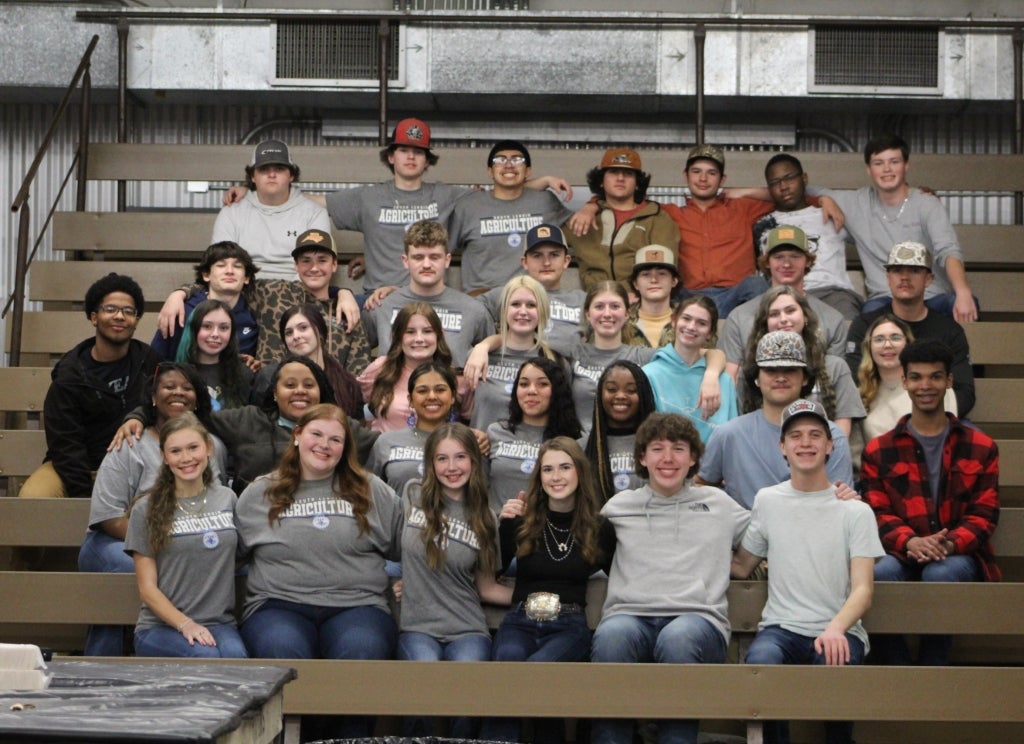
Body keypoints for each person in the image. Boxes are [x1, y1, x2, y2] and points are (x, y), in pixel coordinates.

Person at [235, 403, 403, 738]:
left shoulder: (372, 491)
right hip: (278, 603)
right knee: (282, 653)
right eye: (316, 434)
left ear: (346, 448)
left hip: (357, 605)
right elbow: (229, 554)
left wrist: (410, 579)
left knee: (360, 653)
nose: (324, 445)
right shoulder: (259, 493)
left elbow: (409, 544)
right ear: (297, 436)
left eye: (335, 440)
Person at [731, 399, 884, 744]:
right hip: (780, 629)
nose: (806, 443)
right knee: (761, 662)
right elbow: (742, 566)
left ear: (830, 445)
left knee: (835, 660)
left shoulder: (855, 512)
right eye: (795, 436)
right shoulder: (767, 500)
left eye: (816, 435)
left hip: (838, 629)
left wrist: (835, 629)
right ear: (782, 447)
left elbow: (863, 590)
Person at [591, 413, 750, 744]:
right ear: (642, 457)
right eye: (657, 448)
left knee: (678, 638)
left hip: (696, 619)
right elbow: (581, 551)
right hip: (629, 615)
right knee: (613, 636)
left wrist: (742, 564)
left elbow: (770, 532)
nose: (667, 458)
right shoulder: (618, 507)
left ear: (693, 458)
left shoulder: (718, 504)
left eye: (679, 449)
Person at [316, 118, 571, 297]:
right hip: (378, 296)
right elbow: (318, 203)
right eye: (403, 150)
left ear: (428, 160)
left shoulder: (447, 195)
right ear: (391, 156)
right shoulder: (368, 196)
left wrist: (542, 181)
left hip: (429, 296)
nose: (411, 157)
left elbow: (501, 190)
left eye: (418, 152)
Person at [861, 338, 1000, 665]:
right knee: (878, 573)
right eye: (917, 377)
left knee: (940, 573)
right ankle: (899, 671)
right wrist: (910, 542)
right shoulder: (879, 450)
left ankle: (932, 669)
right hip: (901, 550)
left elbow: (984, 514)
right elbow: (877, 513)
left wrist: (947, 545)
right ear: (905, 382)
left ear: (949, 381)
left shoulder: (981, 446)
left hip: (959, 555)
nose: (926, 385)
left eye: (935, 377)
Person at [81, 362, 226, 656]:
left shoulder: (213, 447)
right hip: (114, 542)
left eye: (187, 388)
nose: (178, 393)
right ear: (153, 396)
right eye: (169, 386)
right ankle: (104, 662)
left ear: (198, 398)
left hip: (181, 541)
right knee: (136, 571)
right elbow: (108, 516)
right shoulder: (129, 443)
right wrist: (162, 544)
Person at [481, 437, 615, 744]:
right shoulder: (520, 524)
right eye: (548, 469)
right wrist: (503, 524)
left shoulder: (600, 528)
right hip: (519, 621)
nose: (556, 477)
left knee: (541, 675)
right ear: (539, 478)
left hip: (568, 625)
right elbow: (489, 576)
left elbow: (623, 578)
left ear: (580, 472)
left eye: (565, 467)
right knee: (506, 667)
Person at [397, 423, 511, 738]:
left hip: (467, 629)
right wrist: (401, 579)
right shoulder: (411, 494)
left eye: (460, 457)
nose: (451, 467)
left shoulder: (486, 517)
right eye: (442, 459)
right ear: (430, 464)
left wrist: (534, 596)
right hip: (419, 628)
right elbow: (392, 551)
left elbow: (486, 587)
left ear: (474, 461)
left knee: (467, 696)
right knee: (424, 685)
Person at [21, 273, 162, 500]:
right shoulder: (70, 375)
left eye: (128, 311)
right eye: (110, 309)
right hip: (79, 467)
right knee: (33, 497)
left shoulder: (150, 362)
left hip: (137, 463)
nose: (119, 316)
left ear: (136, 320)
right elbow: (65, 445)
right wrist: (86, 495)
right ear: (94, 317)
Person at [815, 134, 977, 322]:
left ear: (906, 165)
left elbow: (948, 250)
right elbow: (802, 188)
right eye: (878, 163)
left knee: (965, 306)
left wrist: (963, 291)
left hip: (932, 296)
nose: (887, 169)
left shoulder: (927, 204)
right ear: (868, 169)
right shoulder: (856, 202)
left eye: (894, 161)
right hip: (885, 299)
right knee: (867, 320)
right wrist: (823, 199)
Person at [158, 228, 368, 372]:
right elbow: (226, 283)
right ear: (295, 265)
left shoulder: (346, 311)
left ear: (334, 265)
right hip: (272, 396)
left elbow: (359, 370)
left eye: (322, 260)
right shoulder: (273, 291)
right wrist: (180, 293)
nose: (314, 268)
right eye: (306, 261)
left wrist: (343, 293)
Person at [125, 413, 247, 658]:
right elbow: (147, 589)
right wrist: (185, 624)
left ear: (208, 448)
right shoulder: (145, 508)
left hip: (219, 623)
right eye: (176, 451)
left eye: (193, 448)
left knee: (237, 661)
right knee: (206, 657)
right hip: (161, 627)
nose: (186, 458)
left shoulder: (227, 498)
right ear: (164, 457)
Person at [699, 331, 853, 510]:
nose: (780, 378)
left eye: (790, 370)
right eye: (770, 370)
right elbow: (702, 485)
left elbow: (840, 502)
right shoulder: (729, 434)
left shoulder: (831, 435)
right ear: (756, 377)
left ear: (805, 378)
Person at [845, 241, 975, 416]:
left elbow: (965, 392)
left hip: (938, 418)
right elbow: (854, 381)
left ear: (928, 279)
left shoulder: (949, 330)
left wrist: (928, 419)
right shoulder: (865, 325)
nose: (904, 277)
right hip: (877, 415)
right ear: (888, 277)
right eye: (897, 270)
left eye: (914, 270)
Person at [720, 224, 847, 379]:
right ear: (767, 262)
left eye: (795, 256)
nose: (786, 264)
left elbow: (835, 379)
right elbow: (730, 377)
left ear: (807, 261)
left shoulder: (832, 319)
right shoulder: (739, 317)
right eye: (778, 257)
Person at [448, 140, 575, 293]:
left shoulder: (545, 202)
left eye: (517, 159)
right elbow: (441, 250)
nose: (509, 165)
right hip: (483, 299)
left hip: (531, 300)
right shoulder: (468, 206)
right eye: (500, 160)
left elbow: (580, 226)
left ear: (528, 171)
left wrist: (592, 205)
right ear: (489, 171)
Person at [662, 144, 773, 317]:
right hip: (688, 296)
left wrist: (745, 191)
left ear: (722, 180)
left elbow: (788, 195)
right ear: (686, 176)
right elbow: (630, 204)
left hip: (734, 295)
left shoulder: (741, 208)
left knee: (756, 284)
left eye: (711, 173)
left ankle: (761, 342)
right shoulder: (670, 213)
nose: (703, 178)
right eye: (696, 171)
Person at [363, 219, 493, 367]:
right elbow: (356, 355)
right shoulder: (381, 306)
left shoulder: (474, 310)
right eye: (418, 257)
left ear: (447, 260)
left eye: (434, 257)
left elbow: (495, 358)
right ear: (405, 261)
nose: (426, 264)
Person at [740, 286, 865, 435]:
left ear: (805, 317)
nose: (783, 319)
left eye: (790, 311)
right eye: (774, 314)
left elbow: (842, 431)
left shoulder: (835, 366)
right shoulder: (752, 369)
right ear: (765, 323)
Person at [751, 154, 863, 319]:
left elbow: (871, 239)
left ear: (804, 178)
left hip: (831, 294)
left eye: (789, 178)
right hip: (780, 298)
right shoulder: (762, 224)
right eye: (775, 183)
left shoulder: (830, 213)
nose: (783, 187)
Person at [213, 139, 332, 280]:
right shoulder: (231, 212)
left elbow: (316, 268)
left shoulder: (314, 213)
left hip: (297, 293)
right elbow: (221, 263)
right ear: (252, 176)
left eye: (279, 169)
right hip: (243, 289)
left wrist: (285, 295)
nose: (272, 175)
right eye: (264, 169)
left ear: (291, 175)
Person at [850, 314, 957, 468]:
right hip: (879, 476)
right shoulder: (858, 395)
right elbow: (856, 454)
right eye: (879, 339)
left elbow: (948, 441)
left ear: (908, 344)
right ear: (869, 348)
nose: (887, 345)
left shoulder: (933, 389)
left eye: (895, 338)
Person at [567, 147, 681, 291]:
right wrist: (545, 181)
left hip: (639, 302)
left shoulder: (658, 219)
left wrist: (635, 294)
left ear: (637, 183)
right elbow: (538, 217)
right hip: (594, 301)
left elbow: (665, 269)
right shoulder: (585, 218)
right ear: (601, 181)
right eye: (613, 172)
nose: (620, 178)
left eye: (628, 173)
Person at [366, 362, 477, 498]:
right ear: (411, 400)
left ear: (453, 397)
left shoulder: (469, 441)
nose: (431, 396)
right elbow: (370, 494)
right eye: (422, 391)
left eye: (440, 390)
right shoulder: (386, 442)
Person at [466, 275, 562, 431]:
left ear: (542, 311)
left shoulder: (554, 362)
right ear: (504, 311)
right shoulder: (479, 357)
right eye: (515, 304)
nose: (523, 311)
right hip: (481, 452)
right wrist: (482, 346)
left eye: (531, 305)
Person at [487, 357, 582, 514]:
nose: (531, 390)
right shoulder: (494, 432)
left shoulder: (573, 440)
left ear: (556, 391)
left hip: (547, 531)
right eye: (524, 384)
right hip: (498, 530)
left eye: (542, 384)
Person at [359, 302, 472, 434]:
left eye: (427, 331)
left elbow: (469, 425)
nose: (419, 339)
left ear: (439, 335)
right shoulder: (380, 368)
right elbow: (354, 407)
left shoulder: (458, 379)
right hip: (387, 451)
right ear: (399, 337)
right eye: (410, 332)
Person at [477, 222, 586, 358]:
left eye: (554, 255)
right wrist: (484, 344)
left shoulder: (582, 300)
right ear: (525, 262)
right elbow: (468, 313)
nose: (546, 262)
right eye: (537, 255)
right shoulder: (507, 294)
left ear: (566, 260)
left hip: (564, 373)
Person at [643, 294, 739, 442]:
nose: (691, 327)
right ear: (674, 321)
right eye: (686, 318)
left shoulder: (724, 381)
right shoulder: (649, 375)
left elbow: (732, 437)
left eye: (701, 323)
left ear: (710, 333)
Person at [150, 241, 260, 360]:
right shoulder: (182, 310)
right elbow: (156, 360)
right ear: (206, 275)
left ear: (246, 278)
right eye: (221, 265)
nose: (230, 271)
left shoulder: (255, 315)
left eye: (237, 266)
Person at [252, 303, 363, 420]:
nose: (296, 336)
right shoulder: (269, 377)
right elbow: (258, 423)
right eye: (289, 332)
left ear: (320, 331)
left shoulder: (347, 384)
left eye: (303, 328)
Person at [570, 281, 654, 429]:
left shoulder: (643, 356)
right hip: (583, 446)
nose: (607, 314)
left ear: (627, 313)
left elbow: (694, 354)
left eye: (615, 306)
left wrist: (711, 371)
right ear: (588, 314)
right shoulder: (573, 354)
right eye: (599, 306)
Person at [584, 361, 658, 503]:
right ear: (600, 394)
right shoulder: (582, 447)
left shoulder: (659, 445)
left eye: (631, 390)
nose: (620, 396)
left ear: (643, 395)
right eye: (612, 389)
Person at [176, 299, 254, 410]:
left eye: (224, 328)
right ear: (193, 329)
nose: (215, 334)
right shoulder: (176, 373)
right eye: (207, 326)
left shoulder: (244, 374)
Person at [627, 244, 680, 347]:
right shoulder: (620, 319)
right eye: (646, 274)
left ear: (674, 281)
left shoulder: (689, 318)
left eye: (662, 274)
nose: (654, 280)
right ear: (635, 283)